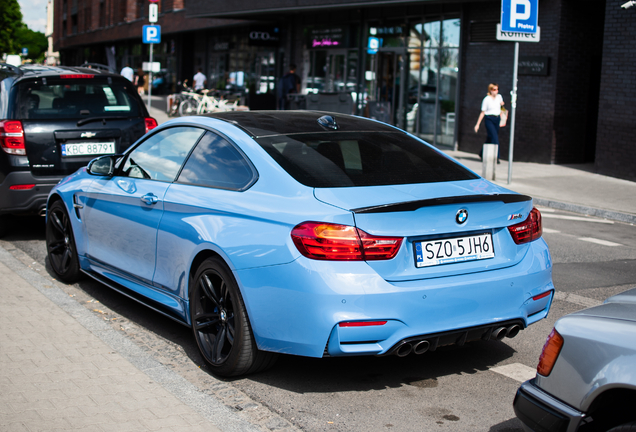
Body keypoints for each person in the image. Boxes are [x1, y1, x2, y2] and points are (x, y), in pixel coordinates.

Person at [474, 83, 505, 163]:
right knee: (494, 138)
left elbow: (502, 109)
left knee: (490, 138)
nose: (496, 91)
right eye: (494, 89)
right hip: (489, 119)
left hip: (497, 119)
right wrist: (477, 124)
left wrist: (502, 108)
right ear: (490, 90)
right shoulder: (486, 99)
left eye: (497, 89)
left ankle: (481, 153)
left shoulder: (499, 97)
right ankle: (496, 157)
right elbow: (482, 112)